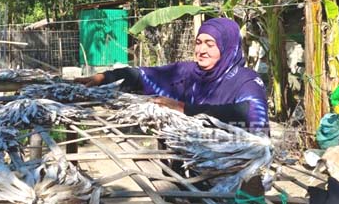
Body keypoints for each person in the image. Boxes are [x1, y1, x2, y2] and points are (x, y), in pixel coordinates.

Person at [75, 17, 269, 135]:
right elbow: (145, 74)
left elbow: (251, 113)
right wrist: (104, 77)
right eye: (198, 42)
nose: (201, 50)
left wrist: (185, 108)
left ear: (228, 47)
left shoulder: (246, 80)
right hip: (191, 161)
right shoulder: (190, 72)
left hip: (233, 166)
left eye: (210, 44)